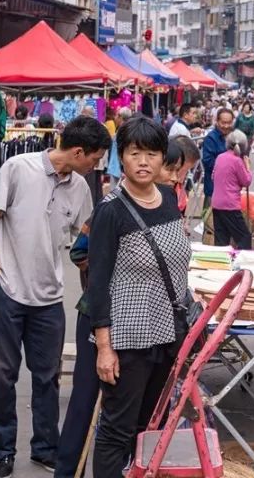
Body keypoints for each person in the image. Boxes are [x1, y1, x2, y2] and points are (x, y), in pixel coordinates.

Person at [0, 116, 111, 477]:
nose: (95, 166)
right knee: (2, 376)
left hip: (49, 298)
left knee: (47, 376)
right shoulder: (17, 168)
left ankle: (45, 447)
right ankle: (3, 450)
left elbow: (85, 242)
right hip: (8, 291)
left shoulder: (81, 188)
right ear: (79, 152)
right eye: (95, 159)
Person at [88, 117, 191, 478]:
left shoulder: (166, 198)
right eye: (135, 153)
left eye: (152, 153)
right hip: (128, 339)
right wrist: (104, 347)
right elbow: (96, 285)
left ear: (163, 158)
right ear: (122, 158)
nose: (144, 161)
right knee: (117, 430)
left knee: (150, 425)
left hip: (168, 335)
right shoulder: (111, 210)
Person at [212, 130, 253, 249]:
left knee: (221, 239)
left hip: (217, 203)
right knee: (244, 238)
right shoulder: (237, 161)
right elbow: (246, 181)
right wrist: (248, 168)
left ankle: (220, 264)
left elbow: (213, 176)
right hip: (230, 205)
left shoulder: (220, 157)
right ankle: (243, 263)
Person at [200, 108, 235, 208]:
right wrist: (228, 165)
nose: (226, 126)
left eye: (229, 123)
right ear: (217, 121)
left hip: (230, 189)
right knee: (210, 220)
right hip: (213, 188)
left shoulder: (233, 136)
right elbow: (207, 162)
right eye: (223, 123)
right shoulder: (211, 138)